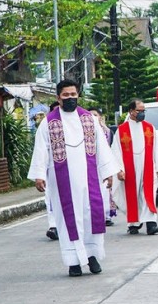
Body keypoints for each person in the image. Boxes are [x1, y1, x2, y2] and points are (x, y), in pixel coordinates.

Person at [28, 80, 118, 277]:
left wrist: (108, 172)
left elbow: (102, 147)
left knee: (90, 216)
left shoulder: (89, 119)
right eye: (66, 95)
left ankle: (92, 256)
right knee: (66, 219)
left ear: (78, 95)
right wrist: (39, 175)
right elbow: (41, 150)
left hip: (89, 179)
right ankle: (73, 262)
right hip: (62, 182)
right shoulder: (49, 122)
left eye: (73, 94)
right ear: (58, 97)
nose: (70, 98)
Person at [112, 99, 158, 235]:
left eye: (143, 111)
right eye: (139, 111)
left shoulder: (149, 128)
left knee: (148, 193)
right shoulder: (121, 130)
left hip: (147, 166)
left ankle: (151, 223)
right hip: (129, 168)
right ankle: (134, 223)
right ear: (131, 111)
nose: (142, 113)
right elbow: (116, 150)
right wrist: (119, 169)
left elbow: (156, 147)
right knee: (132, 195)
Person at [90, 107, 117, 227]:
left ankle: (106, 215)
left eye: (95, 115)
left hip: (104, 164)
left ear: (100, 117)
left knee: (106, 190)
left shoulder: (107, 132)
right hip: (90, 164)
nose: (93, 117)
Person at [44, 101, 61, 241]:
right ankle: (53, 226)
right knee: (51, 199)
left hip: (70, 171)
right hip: (51, 171)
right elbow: (40, 150)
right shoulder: (45, 127)